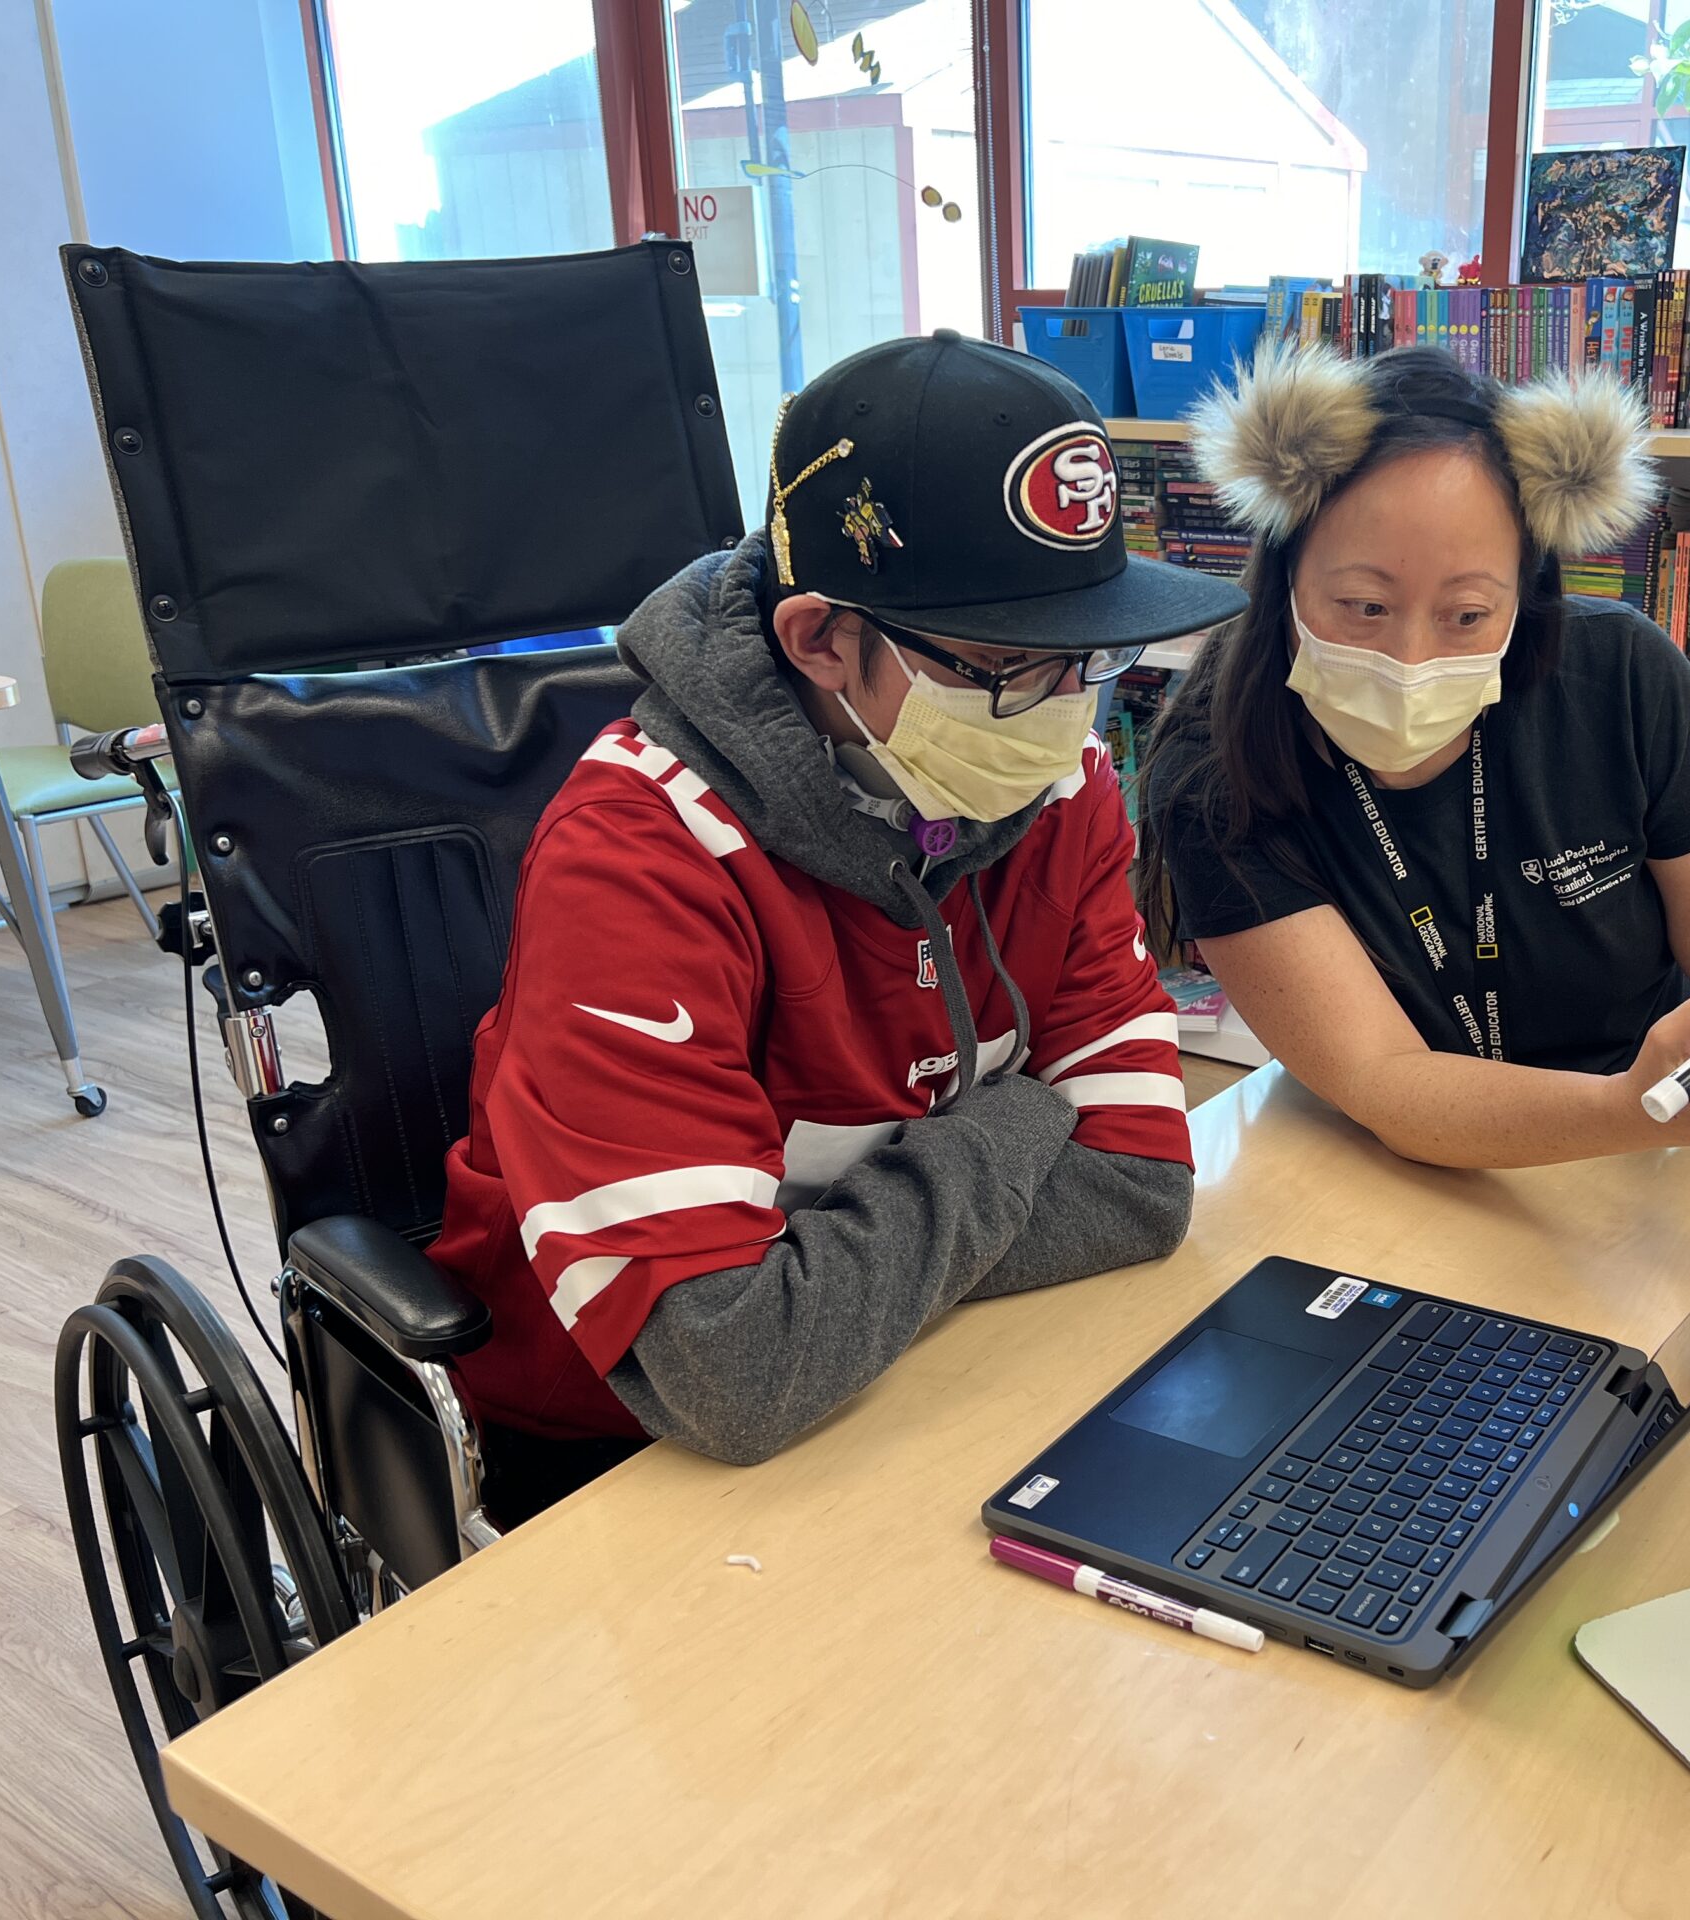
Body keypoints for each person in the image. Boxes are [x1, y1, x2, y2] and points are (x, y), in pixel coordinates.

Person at [432, 332, 1248, 1496]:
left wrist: (823, 1286)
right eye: (1006, 667)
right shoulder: (636, 854)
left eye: (1086, 655)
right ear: (821, 638)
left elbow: (1139, 1185)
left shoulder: (1058, 789)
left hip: (911, 1385)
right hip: (613, 1454)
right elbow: (731, 1367)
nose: (1065, 715)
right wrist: (1014, 1128)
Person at [1140, 345, 1690, 1172]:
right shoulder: (1215, 770)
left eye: (1468, 614)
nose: (1410, 656)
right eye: (1364, 606)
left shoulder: (1619, 674)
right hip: (1400, 1171)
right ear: (1286, 579)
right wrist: (1629, 1109)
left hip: (1663, 1145)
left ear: (1526, 590)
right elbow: (1385, 1079)